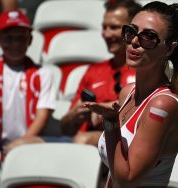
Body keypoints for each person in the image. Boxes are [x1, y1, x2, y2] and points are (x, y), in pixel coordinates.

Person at [85, 1, 178, 187]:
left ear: (169, 48)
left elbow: (127, 179)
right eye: (131, 31)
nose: (135, 41)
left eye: (148, 37)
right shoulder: (127, 92)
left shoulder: (162, 104)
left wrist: (111, 122)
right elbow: (114, 174)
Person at [0, 10, 56, 155]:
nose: (15, 43)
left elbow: (42, 117)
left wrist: (19, 144)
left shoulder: (43, 74)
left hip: (28, 147)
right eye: (8, 38)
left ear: (30, 40)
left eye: (21, 38)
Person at [53, 0, 142, 146]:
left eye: (113, 27)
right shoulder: (93, 71)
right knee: (21, 146)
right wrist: (74, 115)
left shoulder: (148, 68)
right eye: (104, 27)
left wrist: (104, 111)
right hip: (88, 143)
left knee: (82, 140)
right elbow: (65, 130)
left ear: (133, 31)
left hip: (131, 142)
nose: (106, 34)